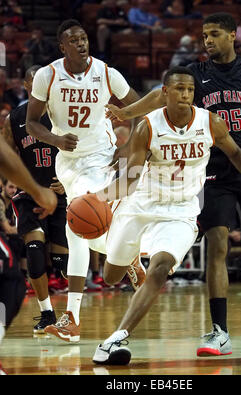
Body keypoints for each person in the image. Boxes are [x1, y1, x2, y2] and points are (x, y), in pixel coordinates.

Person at [105, 12, 241, 356]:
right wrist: (127, 113)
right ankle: (218, 330)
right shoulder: (194, 75)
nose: (207, 40)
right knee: (216, 243)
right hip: (214, 169)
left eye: (213, 34)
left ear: (232, 36)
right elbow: (157, 96)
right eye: (204, 35)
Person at [91, 66, 241, 365]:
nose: (186, 95)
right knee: (110, 276)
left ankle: (115, 339)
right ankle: (130, 260)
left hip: (181, 210)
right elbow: (132, 179)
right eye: (179, 89)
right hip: (141, 204)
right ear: (164, 93)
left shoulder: (210, 122)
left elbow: (237, 153)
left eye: (190, 90)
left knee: (161, 268)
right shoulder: (147, 127)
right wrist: (98, 197)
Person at [26, 19, 144, 343]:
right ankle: (124, 256)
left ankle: (73, 319)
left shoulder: (106, 73)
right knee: (83, 223)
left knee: (75, 227)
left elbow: (139, 110)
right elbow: (31, 123)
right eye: (73, 40)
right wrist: (55, 139)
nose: (81, 43)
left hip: (102, 157)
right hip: (68, 162)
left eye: (84, 38)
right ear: (62, 46)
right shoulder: (46, 76)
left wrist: (129, 149)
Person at [1, 65, 69, 334]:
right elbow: (7, 156)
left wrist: (67, 181)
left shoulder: (62, 113)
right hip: (29, 195)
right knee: (34, 254)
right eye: (35, 82)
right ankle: (47, 313)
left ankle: (72, 312)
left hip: (62, 194)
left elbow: (81, 152)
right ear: (28, 87)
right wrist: (9, 182)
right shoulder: (15, 119)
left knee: (63, 264)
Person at [0, 133, 57, 374]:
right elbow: (5, 154)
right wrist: (37, 190)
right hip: (32, 203)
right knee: (11, 278)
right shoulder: (16, 120)